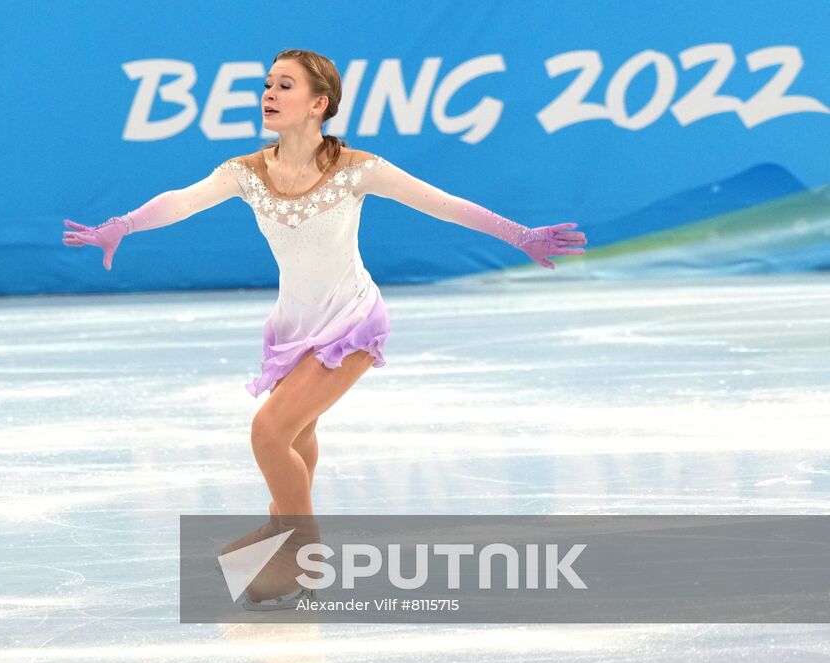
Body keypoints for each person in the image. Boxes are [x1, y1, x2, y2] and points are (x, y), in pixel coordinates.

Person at [62, 49, 586, 605]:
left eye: (284, 86)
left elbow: (443, 204)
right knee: (297, 436)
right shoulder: (246, 173)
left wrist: (520, 235)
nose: (269, 93)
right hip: (293, 327)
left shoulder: (357, 170)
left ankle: (301, 547)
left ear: (319, 104)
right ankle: (280, 528)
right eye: (267, 83)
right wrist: (122, 225)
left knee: (268, 434)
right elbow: (181, 202)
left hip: (351, 323)